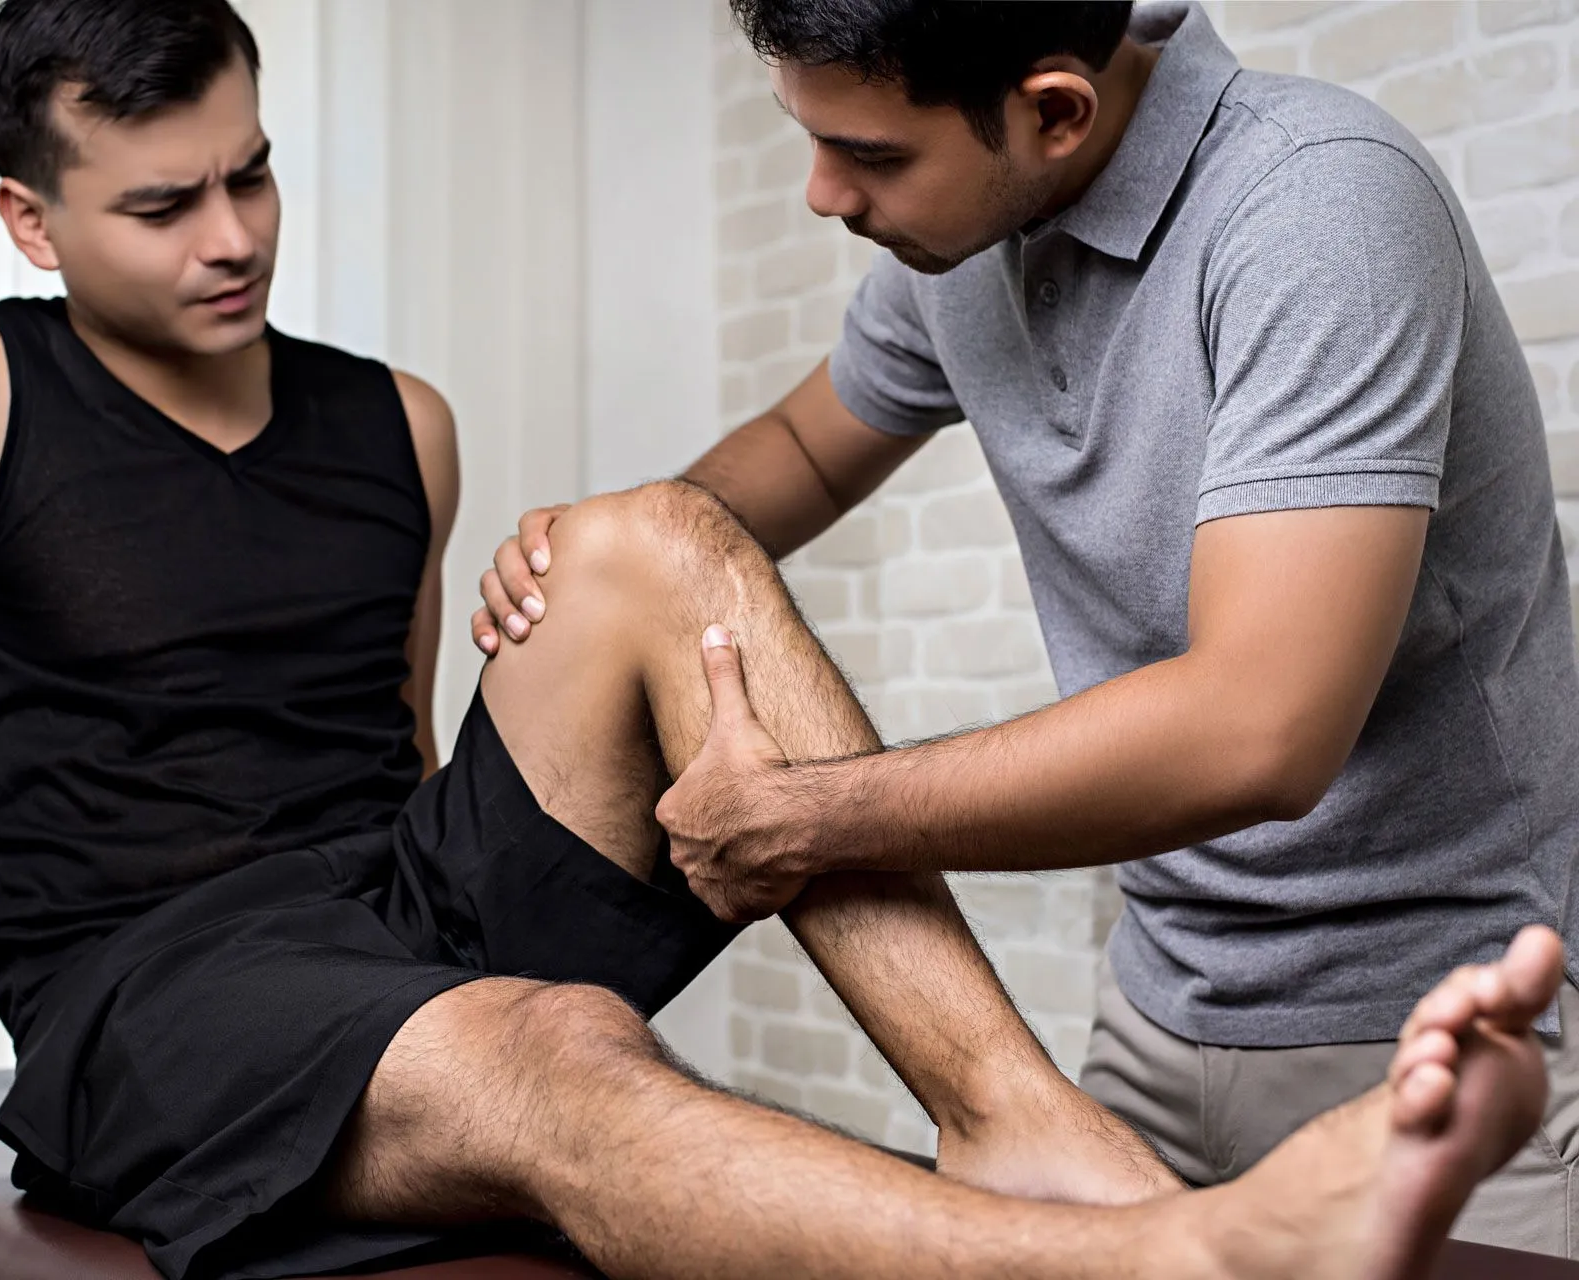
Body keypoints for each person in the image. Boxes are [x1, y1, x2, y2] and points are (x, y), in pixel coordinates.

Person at [0, 2, 1564, 1279]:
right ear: (33, 220)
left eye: (252, 174)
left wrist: (615, 590)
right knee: (560, 1037)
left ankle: (1016, 1127)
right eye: (165, 204)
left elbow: (411, 757)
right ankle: (1165, 1254)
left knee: (663, 535)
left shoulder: (397, 422)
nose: (233, 235)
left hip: (367, 915)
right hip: (146, 996)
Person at [476, 0, 1579, 1259]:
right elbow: (802, 448)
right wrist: (620, 551)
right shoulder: (966, 238)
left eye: (873, 155)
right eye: (810, 136)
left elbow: (1259, 731)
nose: (823, 194)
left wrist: (810, 812)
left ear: (1054, 111)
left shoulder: (1318, 207)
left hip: (1440, 1028)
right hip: (1156, 1016)